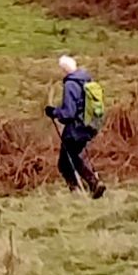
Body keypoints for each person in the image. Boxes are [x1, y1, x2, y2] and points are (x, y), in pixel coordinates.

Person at [45, 54, 106, 198]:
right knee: (73, 157)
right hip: (89, 125)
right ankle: (89, 186)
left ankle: (87, 187)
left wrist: (53, 112)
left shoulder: (71, 84)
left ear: (64, 70)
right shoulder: (86, 81)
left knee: (66, 162)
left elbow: (69, 113)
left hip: (76, 128)